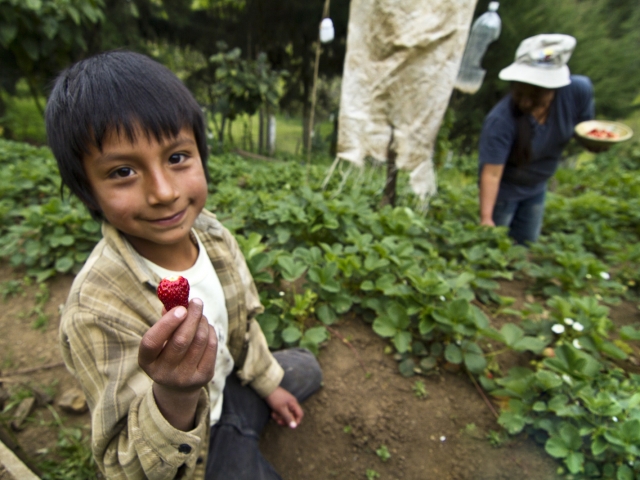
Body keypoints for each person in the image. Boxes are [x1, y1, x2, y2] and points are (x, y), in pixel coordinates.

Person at [45, 50, 322, 480]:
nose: (163, 192)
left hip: (226, 381)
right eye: (122, 171)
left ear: (200, 153)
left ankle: (241, 420)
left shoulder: (211, 235)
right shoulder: (95, 309)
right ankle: (233, 438)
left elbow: (243, 329)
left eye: (177, 158)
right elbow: (126, 467)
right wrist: (175, 392)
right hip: (186, 446)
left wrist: (269, 385)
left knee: (305, 367)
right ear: (88, 191)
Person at [478, 34, 598, 244]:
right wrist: (486, 218)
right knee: (493, 245)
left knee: (526, 242)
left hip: (537, 185)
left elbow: (584, 129)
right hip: (506, 188)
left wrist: (595, 144)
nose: (526, 99)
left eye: (535, 92)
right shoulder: (501, 120)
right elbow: (492, 174)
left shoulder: (577, 92)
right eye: (521, 90)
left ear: (554, 88)